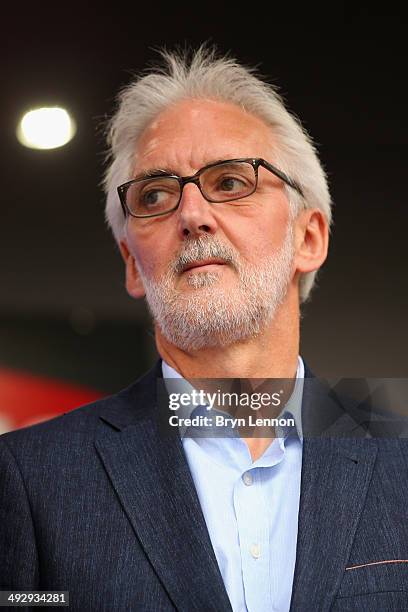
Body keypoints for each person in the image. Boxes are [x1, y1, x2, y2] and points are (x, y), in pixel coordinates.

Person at [1, 46, 407, 612]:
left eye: (232, 181)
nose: (191, 214)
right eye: (156, 195)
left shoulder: (401, 461)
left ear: (309, 238)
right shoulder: (28, 479)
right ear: (130, 263)